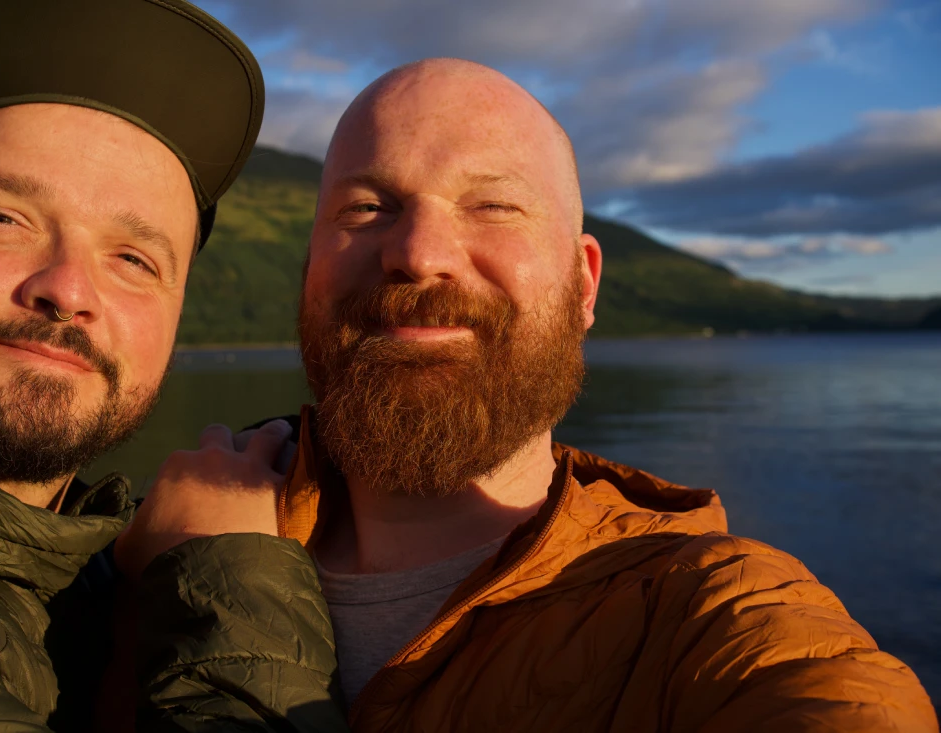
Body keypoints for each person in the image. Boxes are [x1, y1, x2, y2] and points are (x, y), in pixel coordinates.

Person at [129, 58, 938, 731]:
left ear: (583, 284)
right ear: (308, 268)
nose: (417, 253)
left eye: (492, 206)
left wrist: (222, 582)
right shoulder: (147, 542)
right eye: (367, 207)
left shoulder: (704, 613)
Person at [0, 0, 344, 730]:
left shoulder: (56, 579)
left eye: (133, 259)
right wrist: (228, 576)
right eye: (2, 218)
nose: (68, 289)